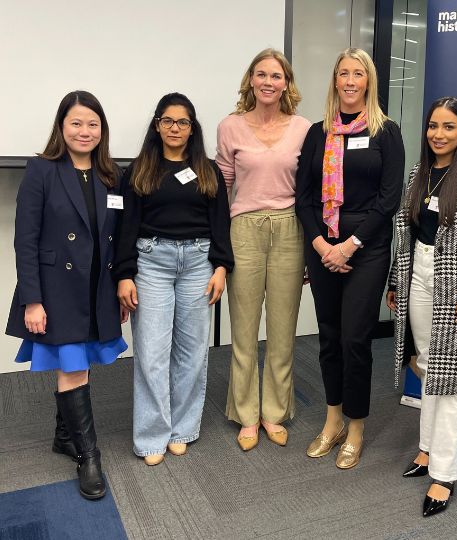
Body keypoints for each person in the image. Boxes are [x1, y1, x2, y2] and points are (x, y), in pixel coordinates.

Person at [6, 90, 128, 500]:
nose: (84, 131)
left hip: (96, 288)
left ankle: (64, 436)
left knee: (80, 365)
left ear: (102, 130)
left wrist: (116, 291)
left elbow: (115, 240)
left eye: (93, 124)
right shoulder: (43, 170)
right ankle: (88, 456)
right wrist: (32, 300)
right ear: (62, 126)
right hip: (57, 290)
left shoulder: (111, 174)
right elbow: (26, 240)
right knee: (74, 366)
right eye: (76, 122)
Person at [386, 96, 457, 516]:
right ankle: (427, 449)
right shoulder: (420, 172)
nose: (438, 134)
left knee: (451, 380)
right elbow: (406, 229)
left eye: (448, 127)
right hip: (418, 271)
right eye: (433, 126)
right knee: (429, 365)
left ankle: (444, 474)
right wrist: (398, 280)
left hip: (455, 283)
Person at [295, 48, 405, 469]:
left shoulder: (385, 132)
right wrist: (323, 246)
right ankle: (333, 419)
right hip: (324, 247)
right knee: (329, 336)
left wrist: (351, 244)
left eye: (358, 73)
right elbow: (303, 199)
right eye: (344, 73)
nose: (350, 81)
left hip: (368, 246)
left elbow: (389, 199)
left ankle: (356, 429)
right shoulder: (317, 133)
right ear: (335, 80)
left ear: (368, 81)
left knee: (355, 340)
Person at [114, 93, 233, 466]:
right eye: (168, 121)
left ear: (192, 128)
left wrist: (221, 267)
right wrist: (125, 274)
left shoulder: (208, 169)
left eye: (183, 122)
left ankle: (182, 429)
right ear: (157, 125)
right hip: (152, 264)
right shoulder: (138, 171)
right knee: (151, 353)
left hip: (198, 264)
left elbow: (220, 223)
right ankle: (152, 437)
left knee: (191, 352)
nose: (175, 128)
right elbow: (126, 225)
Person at [216, 49, 311, 451]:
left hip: (290, 228)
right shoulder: (230, 126)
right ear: (250, 80)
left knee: (283, 329)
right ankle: (246, 415)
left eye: (277, 76)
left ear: (286, 83)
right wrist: (219, 247)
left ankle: (274, 412)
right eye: (261, 74)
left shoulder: (305, 128)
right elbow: (222, 186)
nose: (269, 82)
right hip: (245, 231)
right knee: (243, 329)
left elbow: (311, 191)